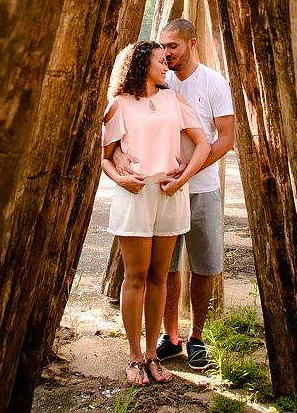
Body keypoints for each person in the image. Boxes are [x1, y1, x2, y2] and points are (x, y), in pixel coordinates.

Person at [114, 19, 235, 371]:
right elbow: (115, 137)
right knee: (163, 270)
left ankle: (196, 337)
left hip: (201, 187)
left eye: (173, 48)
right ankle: (170, 336)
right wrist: (121, 161)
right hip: (159, 192)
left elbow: (224, 138)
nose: (167, 55)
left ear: (192, 44)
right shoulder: (154, 87)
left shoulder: (212, 83)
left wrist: (187, 174)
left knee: (205, 264)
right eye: (162, 49)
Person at [100, 40, 211, 387]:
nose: (167, 67)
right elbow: (105, 156)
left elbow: (204, 145)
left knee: (160, 277)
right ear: (140, 65)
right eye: (161, 62)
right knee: (135, 277)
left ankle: (151, 354)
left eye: (167, 61)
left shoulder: (173, 100)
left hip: (170, 193)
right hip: (135, 195)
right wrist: (121, 179)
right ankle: (133, 357)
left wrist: (183, 180)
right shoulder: (118, 105)